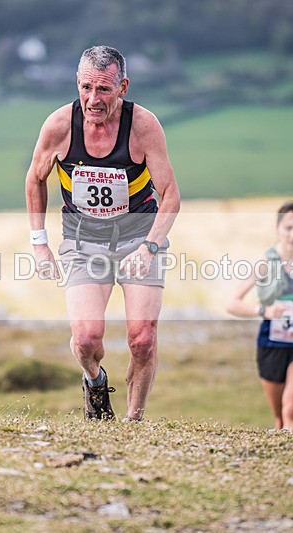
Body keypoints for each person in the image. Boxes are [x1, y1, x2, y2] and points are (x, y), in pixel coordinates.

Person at [25, 45, 180, 421]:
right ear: (77, 84)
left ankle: (133, 421)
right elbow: (35, 179)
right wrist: (39, 244)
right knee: (86, 340)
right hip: (83, 242)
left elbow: (171, 195)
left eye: (105, 90)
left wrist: (149, 247)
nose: (93, 99)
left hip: (138, 235)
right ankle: (95, 382)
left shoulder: (143, 126)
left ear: (123, 87)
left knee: (142, 339)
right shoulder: (59, 126)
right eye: (86, 88)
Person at [226, 201, 293, 430]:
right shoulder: (264, 262)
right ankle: (282, 457)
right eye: (289, 228)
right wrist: (264, 311)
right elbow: (232, 304)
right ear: (278, 228)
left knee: (291, 409)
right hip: (272, 341)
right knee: (280, 417)